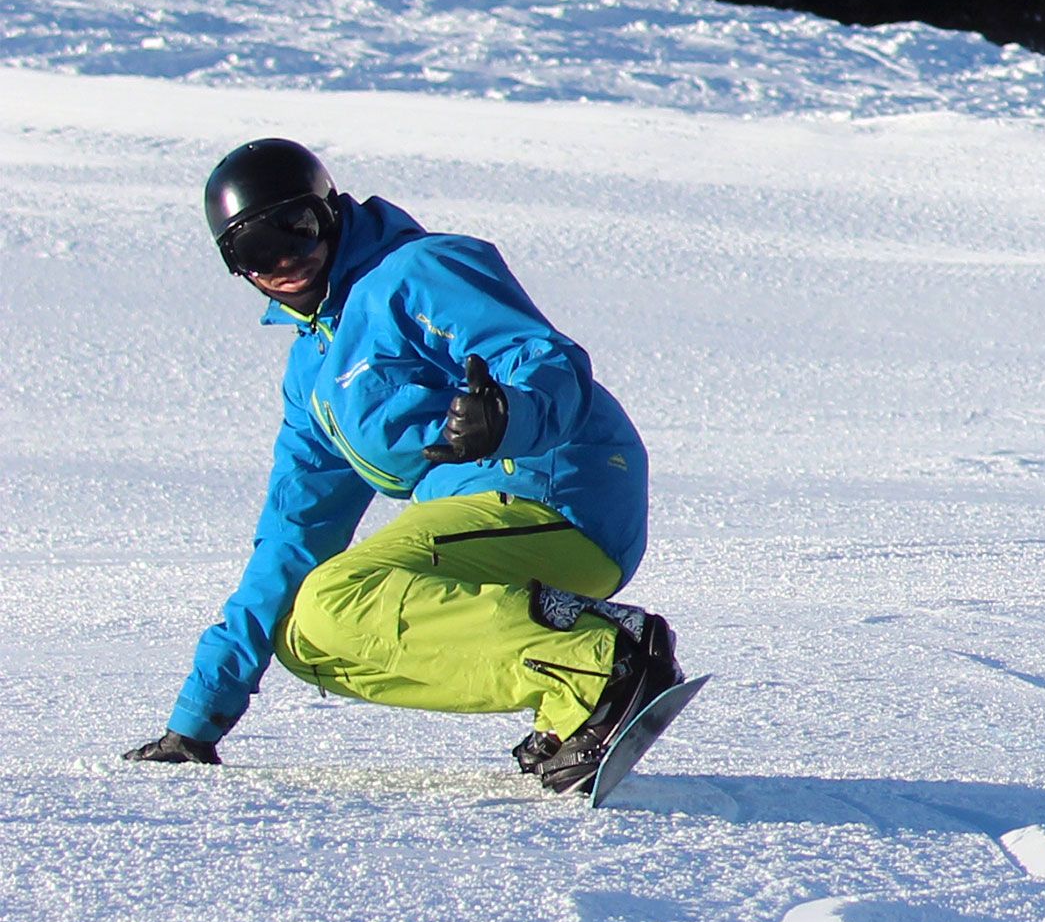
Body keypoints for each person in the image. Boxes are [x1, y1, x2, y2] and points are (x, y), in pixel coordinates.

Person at [123, 139, 673, 790]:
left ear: (329, 214)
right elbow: (292, 536)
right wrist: (198, 719)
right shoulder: (315, 376)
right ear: (235, 268)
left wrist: (509, 417)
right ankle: (577, 693)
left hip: (552, 484)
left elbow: (543, 358)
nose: (283, 261)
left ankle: (600, 662)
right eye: (253, 251)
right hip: (477, 514)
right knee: (308, 633)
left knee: (338, 597)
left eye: (295, 231)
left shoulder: (420, 271)